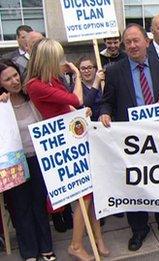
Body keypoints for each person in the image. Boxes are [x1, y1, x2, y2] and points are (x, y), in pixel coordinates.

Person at [100, 23, 159, 251]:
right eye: (128, 42)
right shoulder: (115, 71)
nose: (133, 45)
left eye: (137, 40)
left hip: (158, 137)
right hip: (131, 139)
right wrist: (105, 113)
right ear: (124, 46)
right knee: (134, 182)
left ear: (146, 42)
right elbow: (107, 100)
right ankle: (139, 229)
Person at [25, 38, 105, 261]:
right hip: (62, 142)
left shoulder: (51, 80)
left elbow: (68, 106)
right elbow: (76, 99)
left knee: (91, 193)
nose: (62, 61)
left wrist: (75, 112)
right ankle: (76, 244)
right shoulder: (36, 84)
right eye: (58, 57)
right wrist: (77, 75)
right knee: (84, 195)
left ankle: (97, 238)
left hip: (73, 134)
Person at [0, 59, 56, 261]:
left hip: (37, 158)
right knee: (20, 207)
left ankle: (46, 247)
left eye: (15, 75)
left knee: (39, 204)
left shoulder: (32, 96)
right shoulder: (1, 105)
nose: (14, 81)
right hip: (13, 163)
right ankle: (29, 251)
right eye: (7, 79)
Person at [76, 56, 104, 122]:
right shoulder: (77, 88)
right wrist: (96, 83)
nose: (86, 71)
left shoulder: (103, 84)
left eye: (90, 68)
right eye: (83, 69)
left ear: (95, 69)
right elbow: (85, 105)